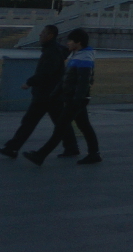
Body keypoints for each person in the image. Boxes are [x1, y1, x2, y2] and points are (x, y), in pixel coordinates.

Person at [23, 29, 101, 165]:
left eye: (70, 41)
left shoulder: (84, 58)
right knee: (84, 126)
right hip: (75, 99)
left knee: (60, 127)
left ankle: (40, 155)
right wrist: (54, 95)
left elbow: (83, 83)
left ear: (78, 42)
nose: (68, 43)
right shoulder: (78, 55)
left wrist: (76, 101)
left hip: (75, 100)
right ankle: (94, 154)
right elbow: (65, 79)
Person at [3, 24, 78, 160]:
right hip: (52, 93)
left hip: (46, 94)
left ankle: (12, 148)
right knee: (60, 122)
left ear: (50, 35)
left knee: (30, 122)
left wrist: (29, 82)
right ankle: (71, 147)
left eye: (43, 32)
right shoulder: (54, 50)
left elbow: (45, 72)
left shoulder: (51, 52)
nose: (40, 34)